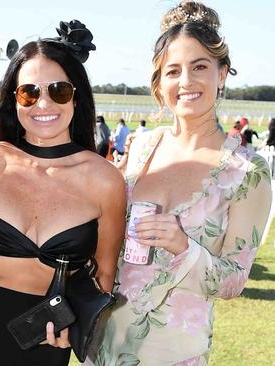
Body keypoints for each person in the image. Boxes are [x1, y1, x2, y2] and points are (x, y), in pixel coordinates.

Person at [0, 20, 126, 366]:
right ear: (14, 99)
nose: (43, 104)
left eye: (58, 90)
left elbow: (103, 276)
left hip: (46, 343)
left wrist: (74, 324)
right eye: (29, 92)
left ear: (76, 96)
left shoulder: (106, 180)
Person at [90, 2, 272, 365]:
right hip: (103, 344)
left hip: (173, 354)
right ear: (160, 83)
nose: (186, 81)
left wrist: (182, 246)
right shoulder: (141, 147)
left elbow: (233, 282)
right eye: (173, 71)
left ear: (222, 74)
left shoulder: (247, 171)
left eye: (200, 67)